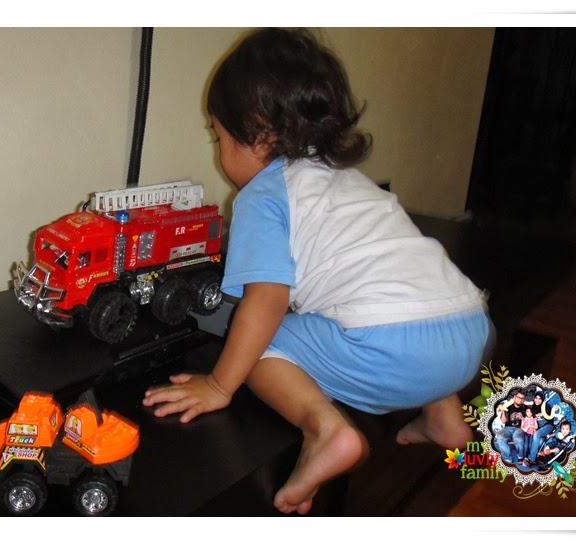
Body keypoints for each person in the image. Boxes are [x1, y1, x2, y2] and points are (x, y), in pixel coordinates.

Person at [142, 27, 493, 515]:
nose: (219, 151)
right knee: (406, 298)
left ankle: (325, 430)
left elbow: (267, 302)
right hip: (469, 334)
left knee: (260, 345)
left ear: (257, 133)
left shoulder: (261, 197)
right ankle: (445, 420)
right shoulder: (346, 179)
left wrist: (220, 385)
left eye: (218, 136)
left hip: (393, 352)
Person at [494, 389, 529, 465]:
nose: (520, 400)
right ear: (515, 397)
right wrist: (503, 409)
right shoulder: (508, 406)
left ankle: (520, 457)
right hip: (508, 428)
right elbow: (503, 421)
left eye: (522, 398)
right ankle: (507, 458)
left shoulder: (525, 408)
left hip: (519, 428)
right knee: (500, 437)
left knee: (518, 438)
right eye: (518, 397)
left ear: (524, 399)